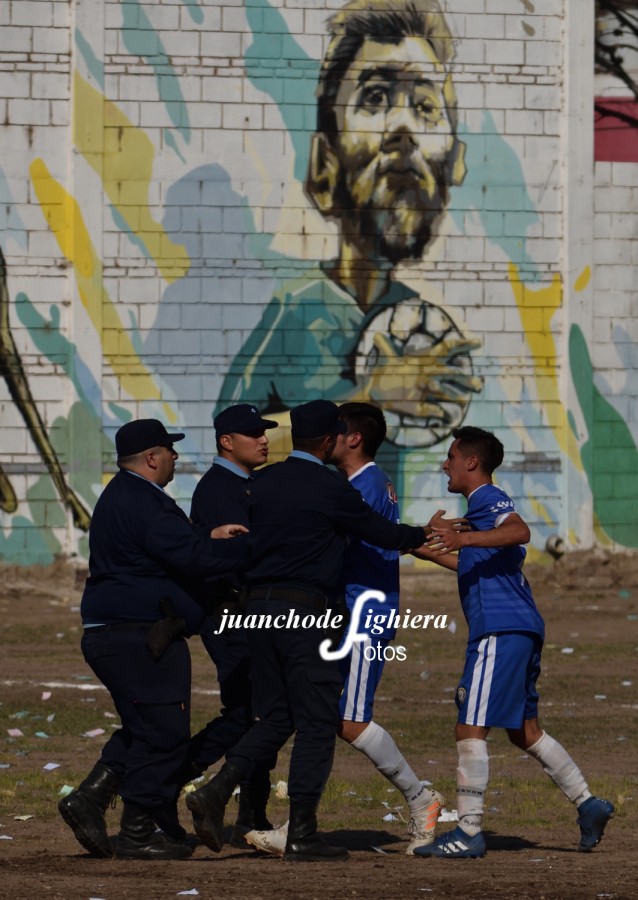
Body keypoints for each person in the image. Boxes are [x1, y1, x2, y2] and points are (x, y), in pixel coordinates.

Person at [185, 399, 462, 862]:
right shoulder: (332, 488)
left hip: (257, 613)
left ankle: (217, 791)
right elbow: (381, 533)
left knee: (275, 717)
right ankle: (305, 832)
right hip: (306, 615)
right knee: (319, 722)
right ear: (331, 439)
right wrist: (423, 534)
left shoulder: (262, 483)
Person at [218, 0, 481, 456]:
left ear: (454, 164)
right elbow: (233, 446)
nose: (403, 127)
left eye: (424, 106)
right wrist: (368, 396)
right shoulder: (297, 311)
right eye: (376, 98)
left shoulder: (426, 327)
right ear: (323, 168)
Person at [411, 425, 614, 858]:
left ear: (471, 462)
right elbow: (470, 563)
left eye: (450, 456)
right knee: (525, 732)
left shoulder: (487, 498)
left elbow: (520, 531)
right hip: (521, 626)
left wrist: (461, 537)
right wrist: (417, 544)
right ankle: (589, 803)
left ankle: (467, 832)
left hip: (499, 630)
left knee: (470, 724)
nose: (444, 464)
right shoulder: (478, 513)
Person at [58, 418, 250, 860]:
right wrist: (251, 548)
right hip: (141, 636)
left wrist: (206, 535)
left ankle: (89, 798)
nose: (175, 457)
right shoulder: (145, 501)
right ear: (151, 458)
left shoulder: (125, 496)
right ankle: (138, 831)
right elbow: (192, 558)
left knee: (146, 728)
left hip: (118, 633)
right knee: (164, 735)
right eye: (170, 450)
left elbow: (170, 547)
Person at [182, 404, 279, 845]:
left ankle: (250, 815)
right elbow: (234, 558)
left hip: (248, 614)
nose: (263, 439)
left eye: (264, 432)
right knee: (247, 713)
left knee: (259, 711)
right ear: (227, 441)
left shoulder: (248, 484)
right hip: (230, 614)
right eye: (254, 433)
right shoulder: (219, 488)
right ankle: (170, 784)